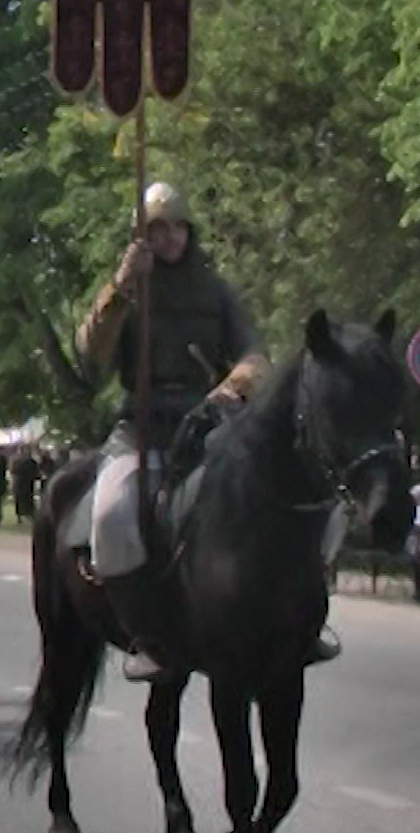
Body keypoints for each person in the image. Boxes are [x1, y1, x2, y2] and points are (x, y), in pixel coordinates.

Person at [73, 181, 301, 682]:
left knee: (286, 496)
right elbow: (92, 357)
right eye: (157, 228)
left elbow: (256, 355)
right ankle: (145, 634)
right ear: (141, 235)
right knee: (112, 516)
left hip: (210, 425)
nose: (170, 237)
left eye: (177, 226)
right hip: (143, 426)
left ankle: (298, 615)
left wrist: (232, 386)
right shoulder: (127, 289)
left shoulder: (216, 290)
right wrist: (121, 289)